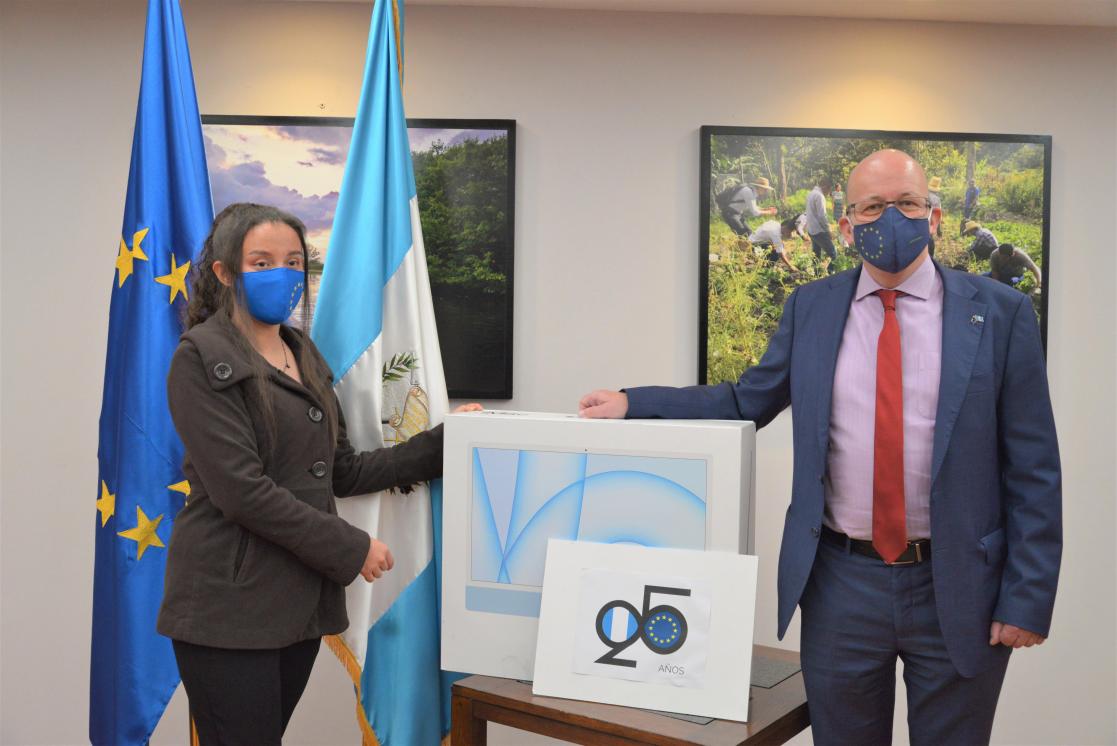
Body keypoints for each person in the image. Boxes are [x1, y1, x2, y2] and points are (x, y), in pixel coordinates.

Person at [580, 150, 1061, 746]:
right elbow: (745, 400)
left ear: (934, 217)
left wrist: (1027, 597)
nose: (892, 218)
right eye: (873, 207)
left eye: (908, 203)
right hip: (840, 585)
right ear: (847, 226)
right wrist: (634, 402)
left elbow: (1034, 467)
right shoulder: (811, 307)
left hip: (960, 584)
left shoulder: (1001, 313)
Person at [156, 203, 481, 745]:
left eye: (292, 262)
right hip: (228, 606)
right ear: (225, 272)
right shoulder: (200, 356)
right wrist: (351, 547)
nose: (282, 275)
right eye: (261, 262)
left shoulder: (301, 351)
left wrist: (446, 441)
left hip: (298, 602)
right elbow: (241, 491)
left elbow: (341, 470)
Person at [805, 176, 837, 274]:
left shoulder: (811, 193)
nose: (829, 193)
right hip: (819, 231)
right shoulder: (819, 196)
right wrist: (829, 230)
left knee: (816, 254)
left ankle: (816, 274)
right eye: (829, 190)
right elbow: (822, 216)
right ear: (826, 187)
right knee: (833, 253)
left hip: (811, 230)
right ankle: (831, 274)